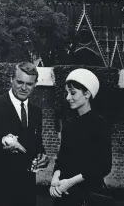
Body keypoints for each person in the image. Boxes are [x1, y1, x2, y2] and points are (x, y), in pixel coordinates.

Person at [0, 62, 49, 206]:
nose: (24, 88)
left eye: (29, 84)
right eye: (20, 82)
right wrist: (2, 141)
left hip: (26, 192)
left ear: (35, 84)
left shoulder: (36, 112)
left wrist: (42, 156)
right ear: (11, 79)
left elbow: (36, 143)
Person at [49, 68, 112, 206]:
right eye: (67, 93)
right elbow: (62, 159)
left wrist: (70, 182)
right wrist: (55, 178)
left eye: (72, 93)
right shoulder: (69, 125)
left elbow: (104, 165)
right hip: (64, 195)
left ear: (87, 94)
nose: (67, 98)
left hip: (87, 196)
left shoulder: (100, 124)